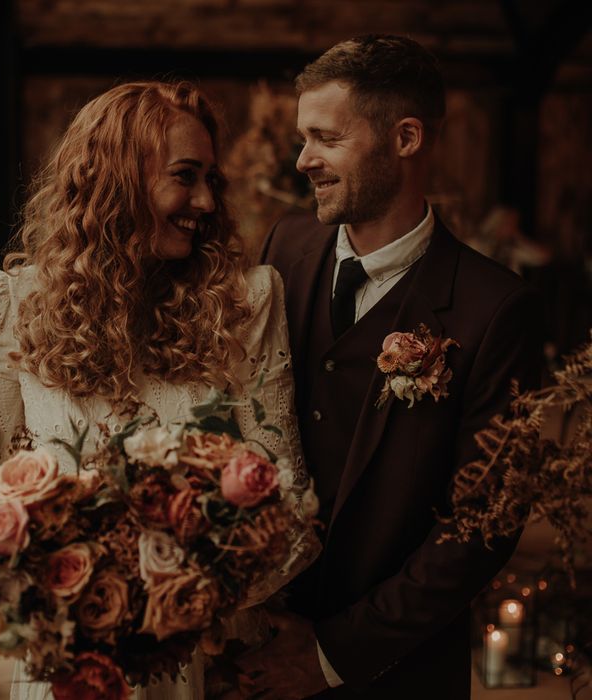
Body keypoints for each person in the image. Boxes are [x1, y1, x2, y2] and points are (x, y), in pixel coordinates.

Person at [0, 81, 318, 700]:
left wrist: (171, 603)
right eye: (185, 176)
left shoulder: (247, 301)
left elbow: (291, 504)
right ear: (120, 180)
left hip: (193, 659)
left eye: (211, 178)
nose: (206, 200)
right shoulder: (14, 303)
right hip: (62, 667)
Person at [243, 35, 542, 699]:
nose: (302, 160)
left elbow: (481, 528)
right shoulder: (284, 247)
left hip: (395, 673)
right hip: (252, 658)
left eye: (325, 138)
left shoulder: (496, 309)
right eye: (301, 137)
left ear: (406, 138)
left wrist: (331, 655)